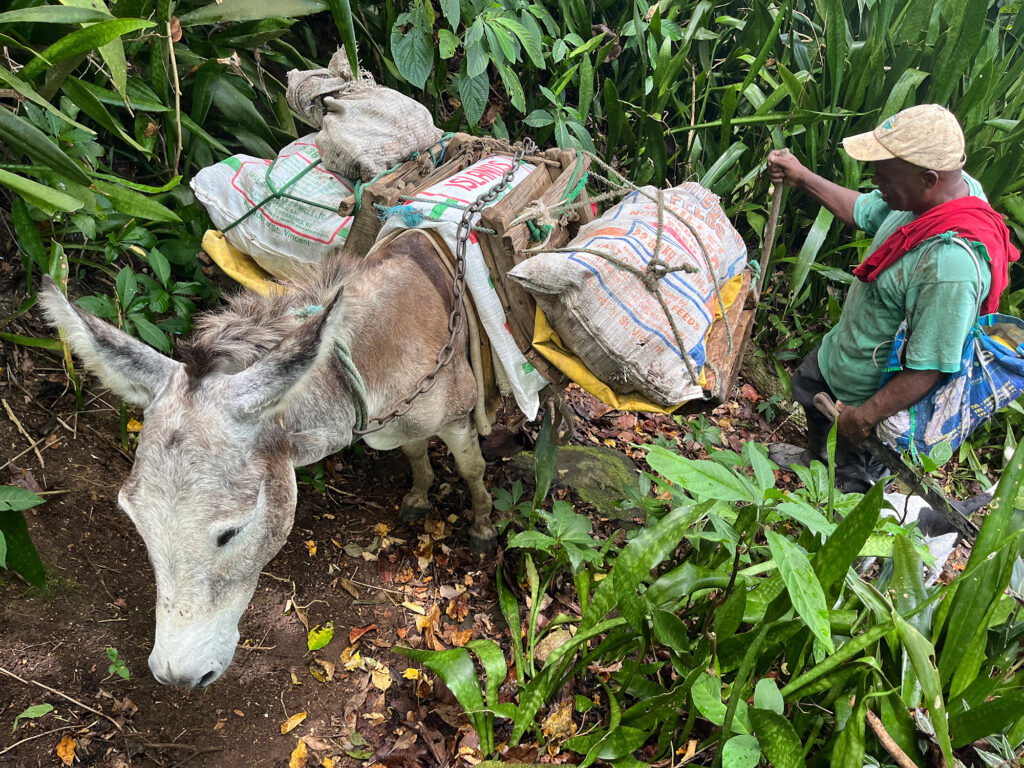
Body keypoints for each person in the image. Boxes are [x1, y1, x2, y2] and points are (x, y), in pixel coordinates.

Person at [767, 104, 1019, 491]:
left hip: (868, 392)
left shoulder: (950, 266)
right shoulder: (928, 196)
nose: (875, 182)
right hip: (845, 352)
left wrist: (864, 417)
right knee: (808, 388)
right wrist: (802, 177)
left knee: (851, 473)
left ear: (928, 178)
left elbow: (930, 366)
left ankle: (835, 520)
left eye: (884, 176)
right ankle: (813, 460)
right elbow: (865, 210)